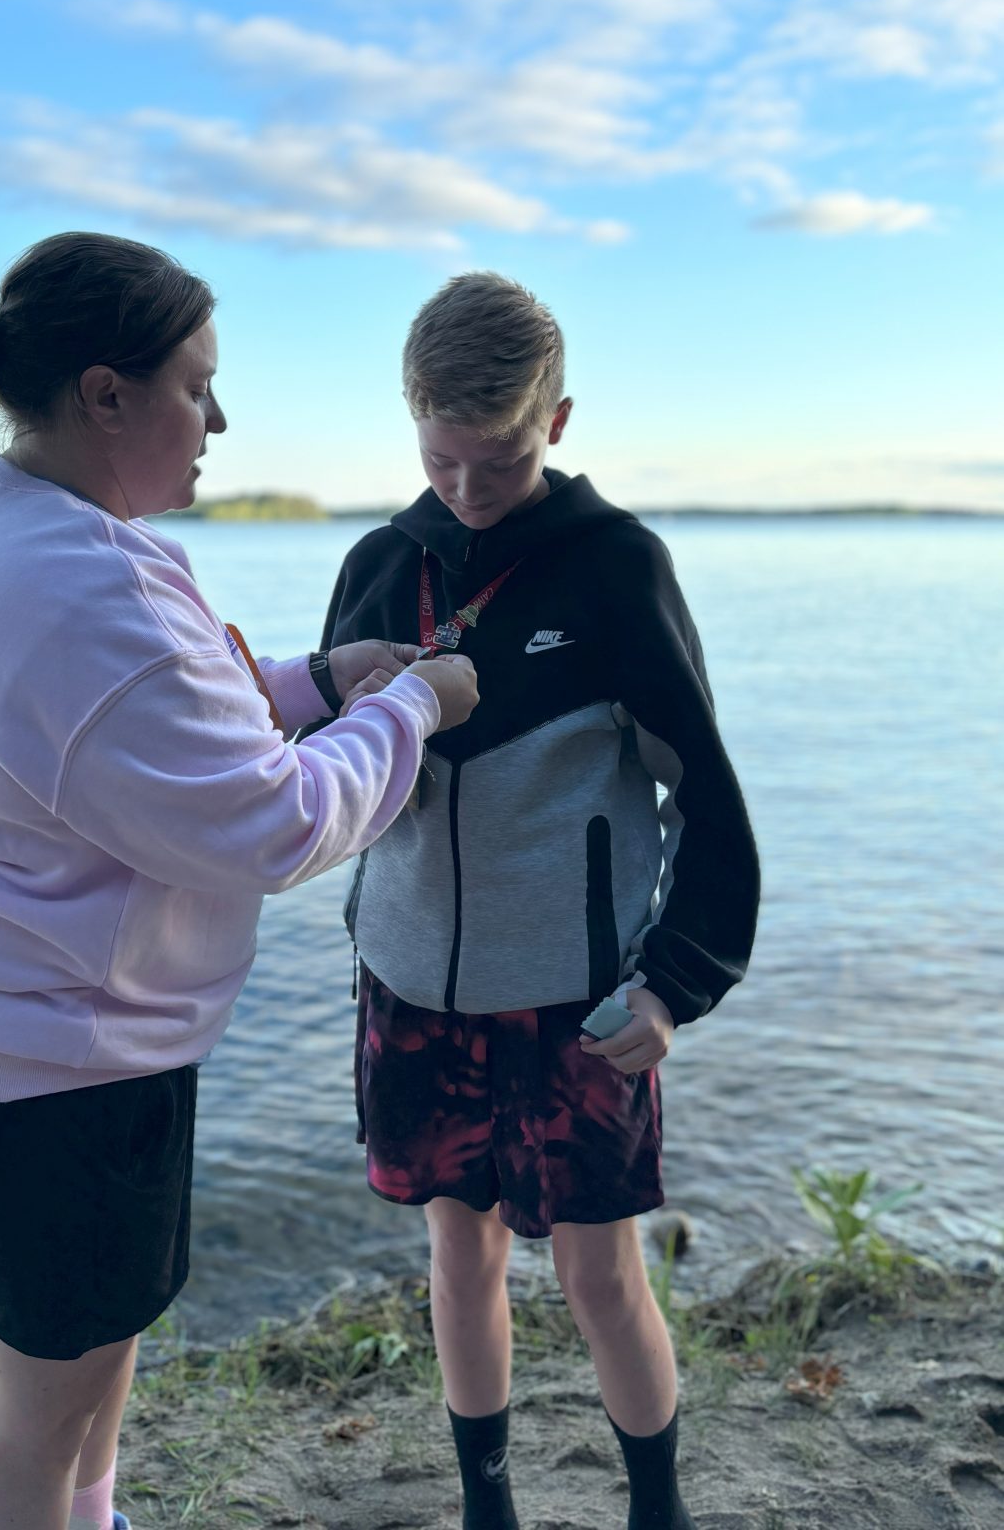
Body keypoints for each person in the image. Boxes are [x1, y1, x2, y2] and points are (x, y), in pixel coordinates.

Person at [0, 231, 478, 1530]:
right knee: (28, 1414)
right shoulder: (79, 587)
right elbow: (272, 824)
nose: (221, 418)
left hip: (15, 1023)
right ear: (105, 394)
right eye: (198, 384)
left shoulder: (17, 518)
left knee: (86, 1369)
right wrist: (412, 705)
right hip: (41, 1058)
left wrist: (316, 682)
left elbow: (137, 730)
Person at [314, 273, 760, 1530]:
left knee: (599, 1272)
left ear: (556, 423)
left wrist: (675, 986)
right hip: (409, 984)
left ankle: (657, 1509)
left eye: (496, 460)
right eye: (441, 458)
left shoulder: (619, 569)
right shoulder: (375, 565)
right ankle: (487, 1507)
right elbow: (331, 783)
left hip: (578, 1002)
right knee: (458, 1258)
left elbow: (709, 801)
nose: (465, 487)